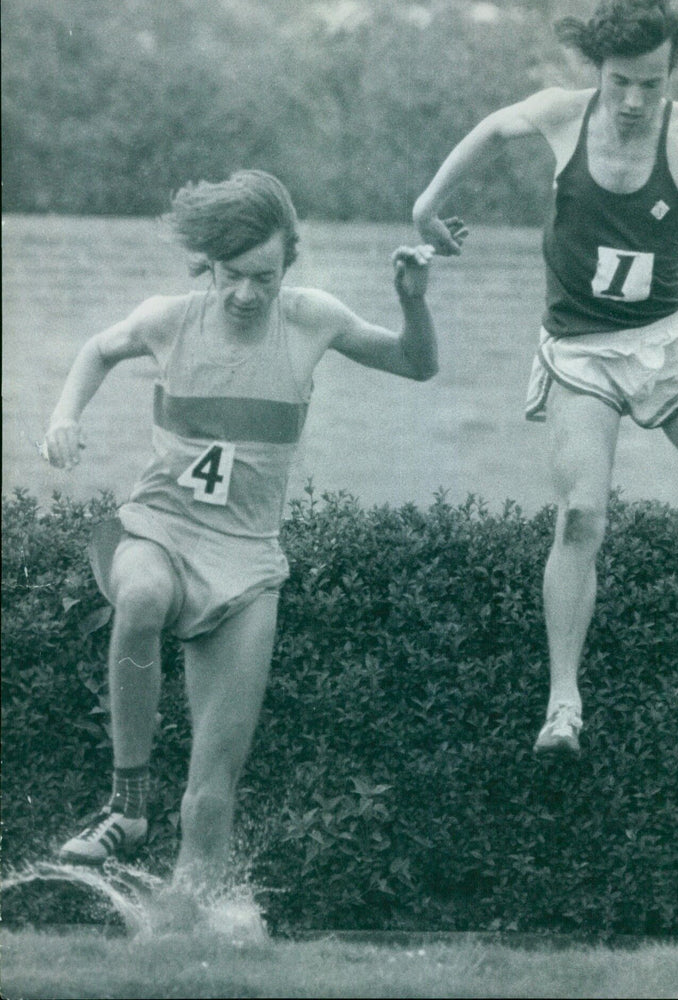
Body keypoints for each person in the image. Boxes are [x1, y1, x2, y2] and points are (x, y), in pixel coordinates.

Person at [45, 169, 459, 893]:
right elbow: (97, 351)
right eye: (231, 275)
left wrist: (412, 302)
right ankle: (128, 804)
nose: (245, 294)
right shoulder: (168, 319)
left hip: (245, 562)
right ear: (209, 265)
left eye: (262, 277)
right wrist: (63, 417)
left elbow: (418, 365)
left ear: (287, 264)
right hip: (160, 528)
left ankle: (190, 928)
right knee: (139, 597)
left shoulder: (312, 320)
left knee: (209, 802)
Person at [413, 0, 678, 756]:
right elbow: (492, 130)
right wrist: (426, 207)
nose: (632, 100)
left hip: (664, 347)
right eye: (619, 81)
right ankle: (563, 705)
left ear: (672, 73)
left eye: (650, 84)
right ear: (599, 70)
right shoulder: (563, 114)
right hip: (581, 353)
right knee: (581, 513)